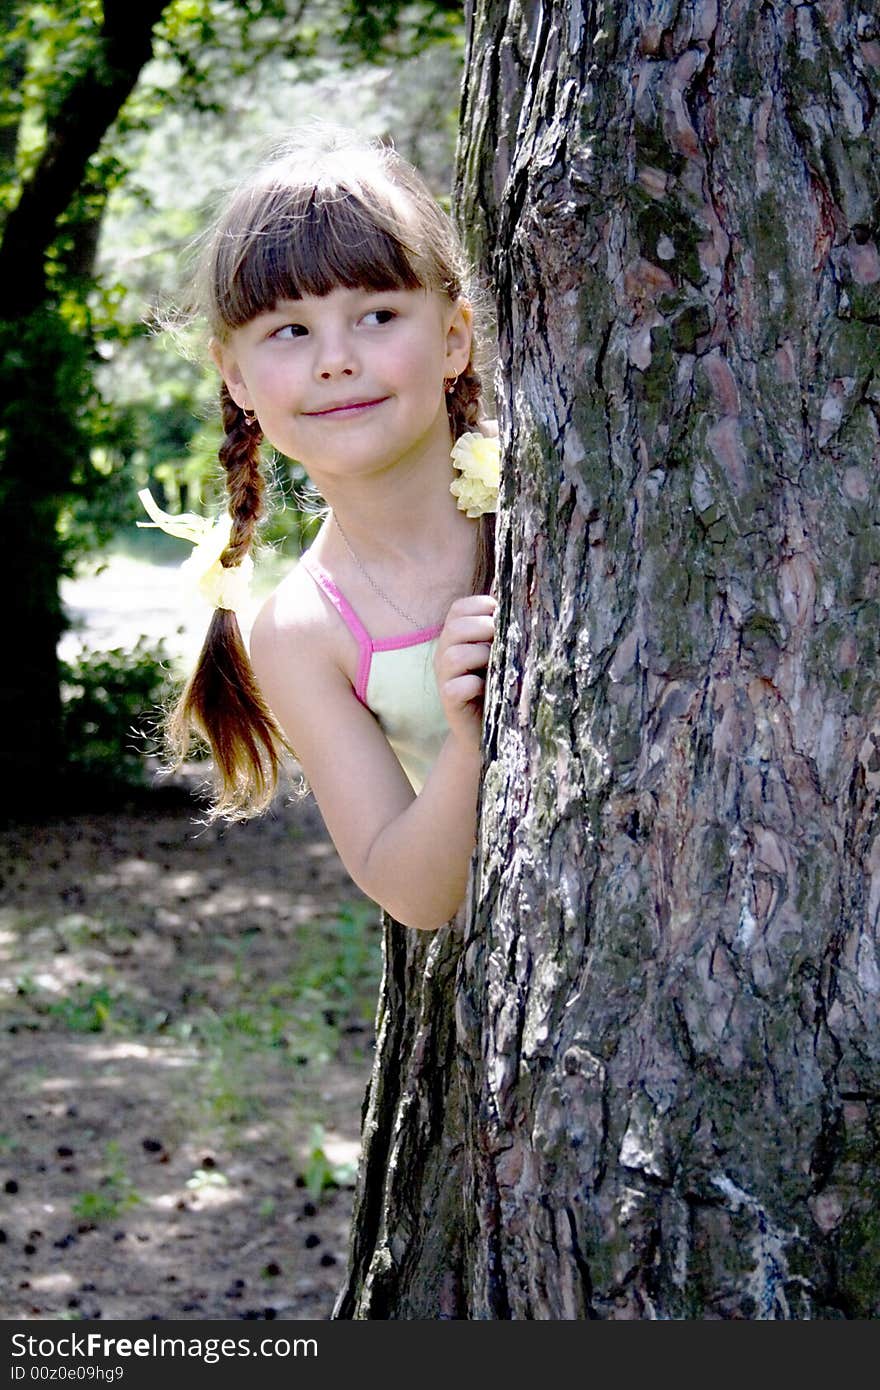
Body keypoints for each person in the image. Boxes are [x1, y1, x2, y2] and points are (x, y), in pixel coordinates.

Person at [141, 128, 499, 932]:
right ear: (235, 375)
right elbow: (411, 890)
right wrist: (474, 741)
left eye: (376, 315)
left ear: (452, 337)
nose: (336, 359)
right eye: (291, 331)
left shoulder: (551, 501)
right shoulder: (304, 630)